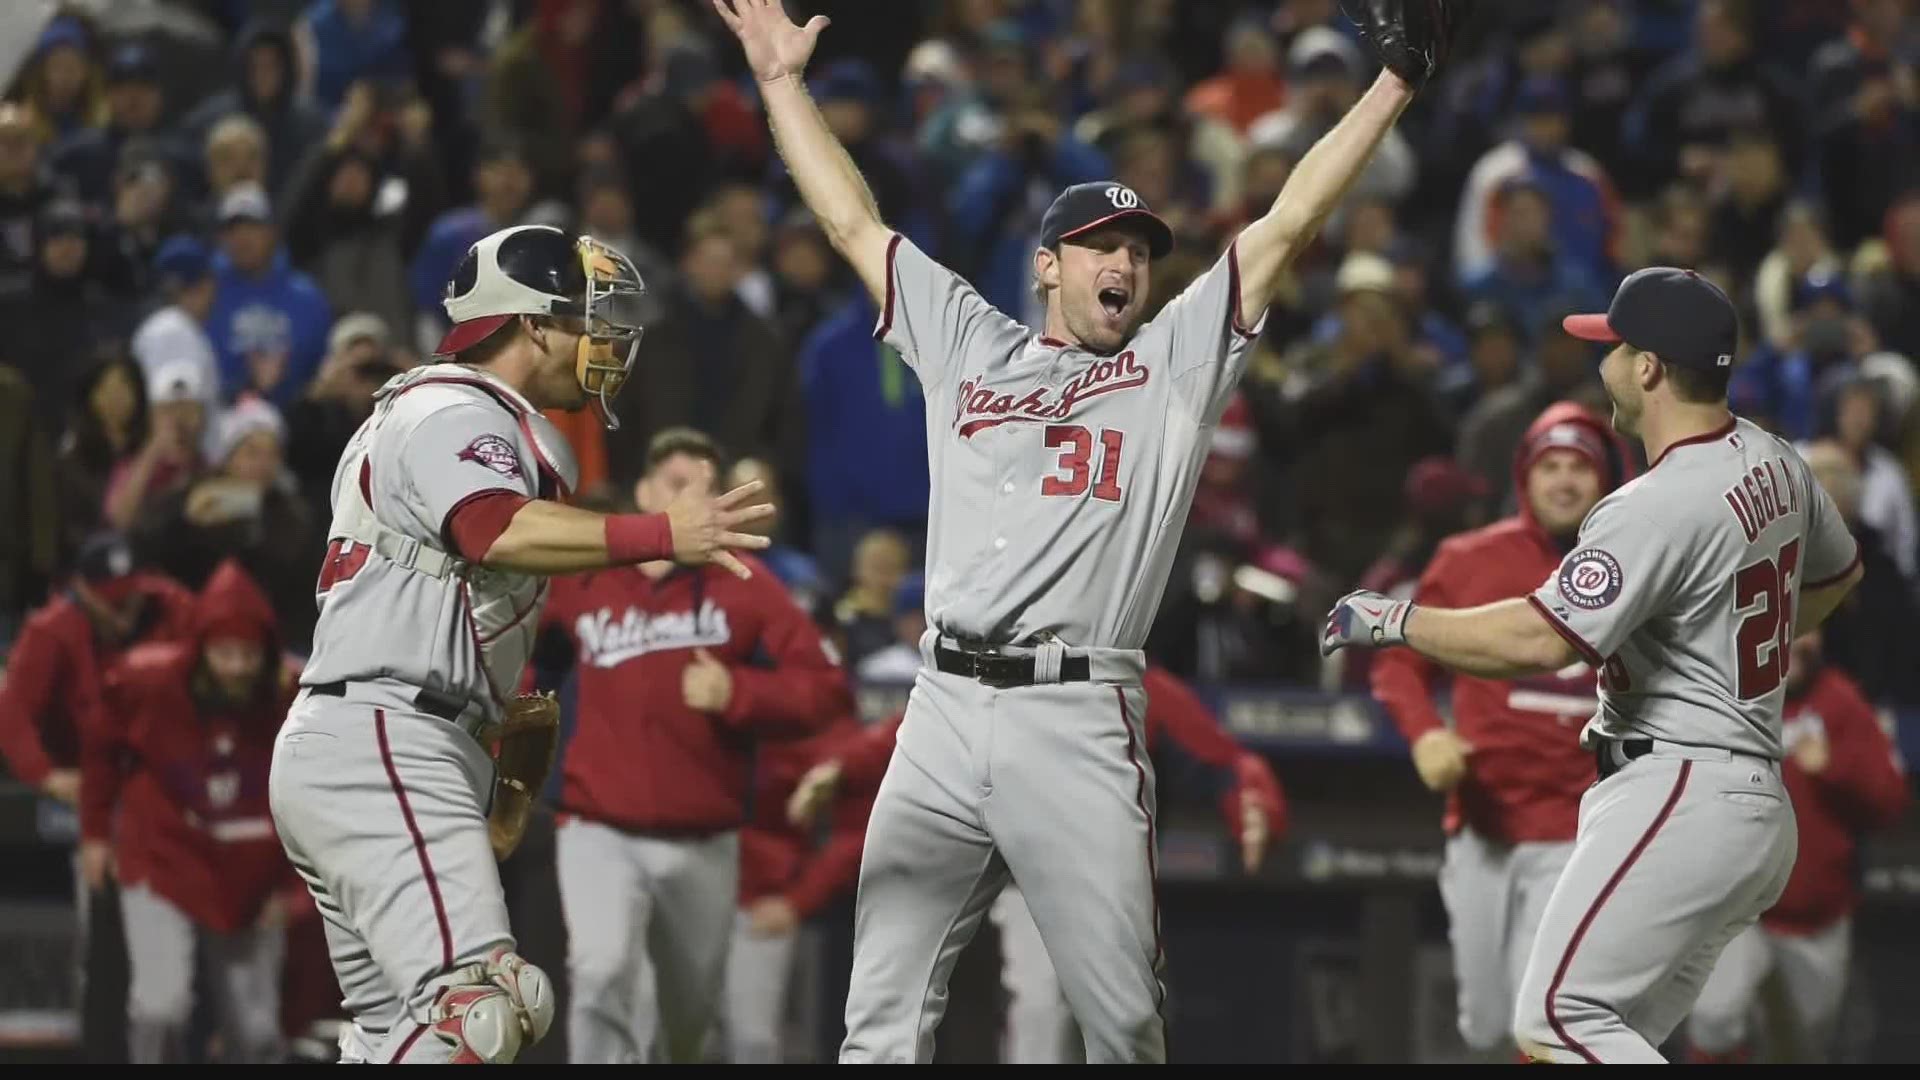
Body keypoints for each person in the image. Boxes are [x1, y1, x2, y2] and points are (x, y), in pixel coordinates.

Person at [711, 0, 1463, 1061]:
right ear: (1046, 267)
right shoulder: (969, 339)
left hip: (1076, 717)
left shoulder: (1173, 368)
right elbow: (850, 223)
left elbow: (1286, 223)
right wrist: (782, 83)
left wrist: (1391, 87)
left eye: (1140, 251)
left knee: (1119, 1027)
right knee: (876, 1024)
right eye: (1099, 244)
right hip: (941, 705)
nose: (1124, 263)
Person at [1323, 266, 1868, 1063]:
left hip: (1680, 786)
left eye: (1611, 346)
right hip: (1752, 801)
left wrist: (1394, 619)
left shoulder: (1651, 503)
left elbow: (1537, 641)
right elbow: (1839, 578)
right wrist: (1720, 635)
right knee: (1610, 1035)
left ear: (1647, 367)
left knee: (1554, 1020)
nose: (1600, 360)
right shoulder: (1776, 461)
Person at [266, 222, 775, 1064]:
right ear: (531, 324)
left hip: (381, 737)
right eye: (583, 317)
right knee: (487, 1011)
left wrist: (497, 717)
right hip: (387, 737)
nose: (601, 338)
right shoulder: (451, 408)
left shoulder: (448, 416)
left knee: (404, 1036)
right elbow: (490, 530)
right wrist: (661, 532)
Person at [786, 664, 1286, 1063]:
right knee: (1039, 1009)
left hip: (1102, 879)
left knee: (1124, 1020)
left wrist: (1251, 801)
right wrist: (840, 768)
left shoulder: (1137, 685)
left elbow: (1225, 762)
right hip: (1020, 884)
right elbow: (911, 733)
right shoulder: (994, 674)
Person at [537, 427, 851, 1064]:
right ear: (645, 491)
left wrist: (738, 691)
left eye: (708, 488)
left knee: (689, 1022)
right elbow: (526, 669)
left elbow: (825, 691)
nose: (694, 501)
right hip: (597, 826)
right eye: (680, 486)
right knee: (599, 974)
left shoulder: (743, 579)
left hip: (704, 838)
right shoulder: (584, 574)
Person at [1369, 401, 1632, 1057]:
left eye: (1580, 467)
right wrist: (1428, 733)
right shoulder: (1467, 560)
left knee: (1540, 1015)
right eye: (1551, 466)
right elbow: (1400, 665)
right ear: (1525, 477)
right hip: (1483, 824)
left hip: (1581, 829)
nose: (1565, 481)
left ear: (1605, 480)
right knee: (1485, 1024)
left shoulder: (1638, 565)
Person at [83, 559, 303, 1063]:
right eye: (224, 652)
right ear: (201, 647)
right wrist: (96, 832)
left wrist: (293, 893)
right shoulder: (149, 681)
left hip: (250, 876)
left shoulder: (296, 698)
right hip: (165, 855)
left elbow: (316, 800)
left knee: (257, 1032)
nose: (237, 667)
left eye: (248, 654)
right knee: (161, 1009)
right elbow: (100, 744)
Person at [1684, 631, 1909, 1063]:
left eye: (1807, 628)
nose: (1794, 642)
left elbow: (1890, 804)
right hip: (1735, 908)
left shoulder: (1842, 703)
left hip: (1812, 917)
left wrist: (1834, 767)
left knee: (1803, 1045)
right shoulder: (1722, 696)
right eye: (1787, 625)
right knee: (1714, 1020)